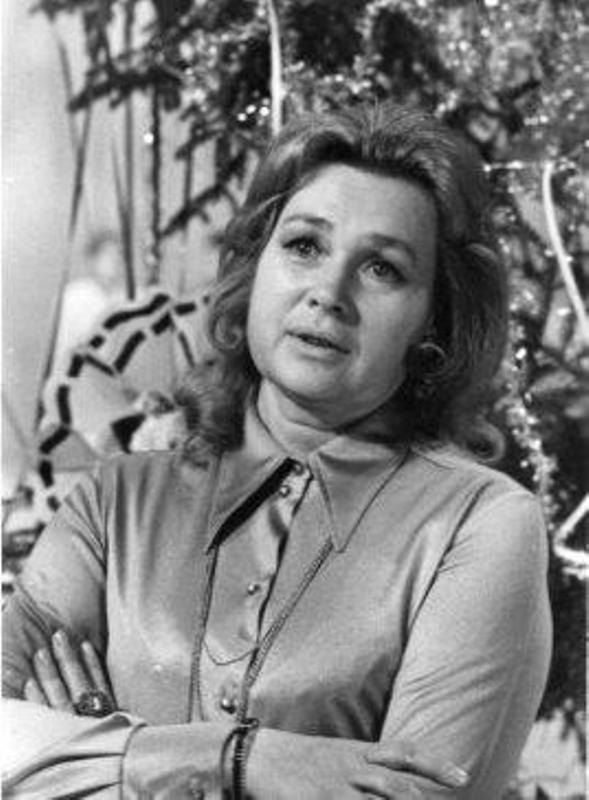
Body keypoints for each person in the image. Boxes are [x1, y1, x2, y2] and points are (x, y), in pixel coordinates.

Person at [2, 102, 551, 799]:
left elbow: (416, 795)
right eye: (304, 246)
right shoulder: (116, 503)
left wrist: (94, 750)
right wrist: (240, 760)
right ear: (253, 266)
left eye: (382, 268)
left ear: (432, 322)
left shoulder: (478, 522)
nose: (329, 293)